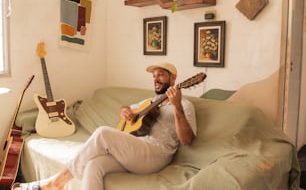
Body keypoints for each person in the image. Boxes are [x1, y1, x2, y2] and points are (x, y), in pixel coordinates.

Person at [12, 62, 197, 190]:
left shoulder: (185, 105)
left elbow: (186, 140)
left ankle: (56, 183)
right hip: (137, 151)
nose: (156, 79)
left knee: (102, 133)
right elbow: (127, 110)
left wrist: (177, 106)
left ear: (173, 78)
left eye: (161, 75)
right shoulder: (150, 102)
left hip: (158, 154)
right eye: (154, 76)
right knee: (94, 165)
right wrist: (125, 112)